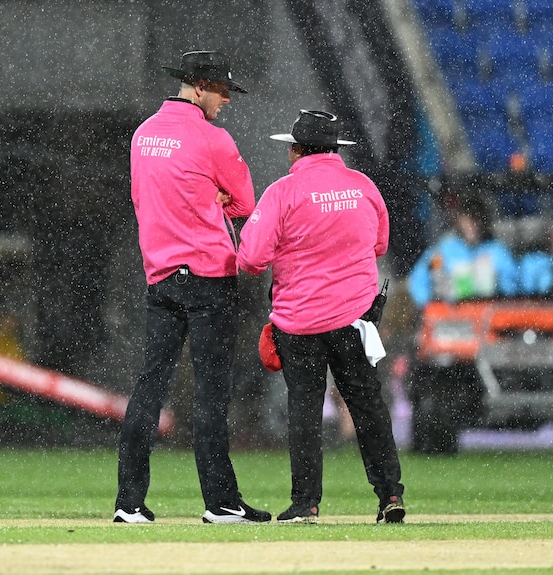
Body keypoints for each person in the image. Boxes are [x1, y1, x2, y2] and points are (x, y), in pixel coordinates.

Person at [114, 50, 270, 524]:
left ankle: (128, 502)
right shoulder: (213, 139)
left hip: (160, 275)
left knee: (148, 387)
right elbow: (245, 203)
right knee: (210, 392)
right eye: (222, 91)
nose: (226, 100)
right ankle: (220, 502)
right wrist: (215, 199)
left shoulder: (143, 135)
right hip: (208, 275)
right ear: (199, 87)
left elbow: (144, 200)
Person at [237, 110, 405, 524]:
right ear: (335, 149)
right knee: (367, 407)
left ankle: (306, 503)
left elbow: (252, 260)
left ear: (295, 150)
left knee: (305, 411)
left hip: (300, 322)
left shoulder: (282, 192)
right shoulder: (363, 186)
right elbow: (379, 245)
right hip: (355, 319)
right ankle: (389, 496)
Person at [407, 193, 517, 308]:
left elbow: (513, 284)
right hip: (452, 316)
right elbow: (419, 279)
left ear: (484, 221)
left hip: (489, 312)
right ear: (460, 221)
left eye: (476, 219)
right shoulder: (444, 250)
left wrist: (497, 283)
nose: (472, 226)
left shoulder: (497, 251)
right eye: (468, 220)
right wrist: (430, 306)